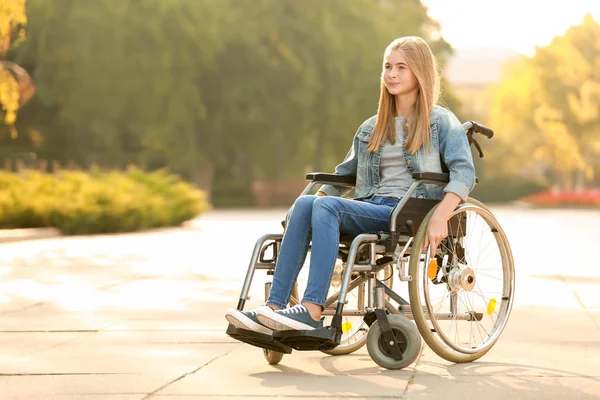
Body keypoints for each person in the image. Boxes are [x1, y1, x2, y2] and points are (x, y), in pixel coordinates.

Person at [225, 36, 475, 335]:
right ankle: (274, 308)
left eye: (401, 68)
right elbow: (344, 174)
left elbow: (464, 173)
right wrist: (305, 212)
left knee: (325, 206)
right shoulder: (372, 127)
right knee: (308, 203)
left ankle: (312, 311)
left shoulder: (441, 122)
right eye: (387, 67)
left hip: (410, 211)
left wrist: (441, 214)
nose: (391, 74)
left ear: (420, 72)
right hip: (373, 206)